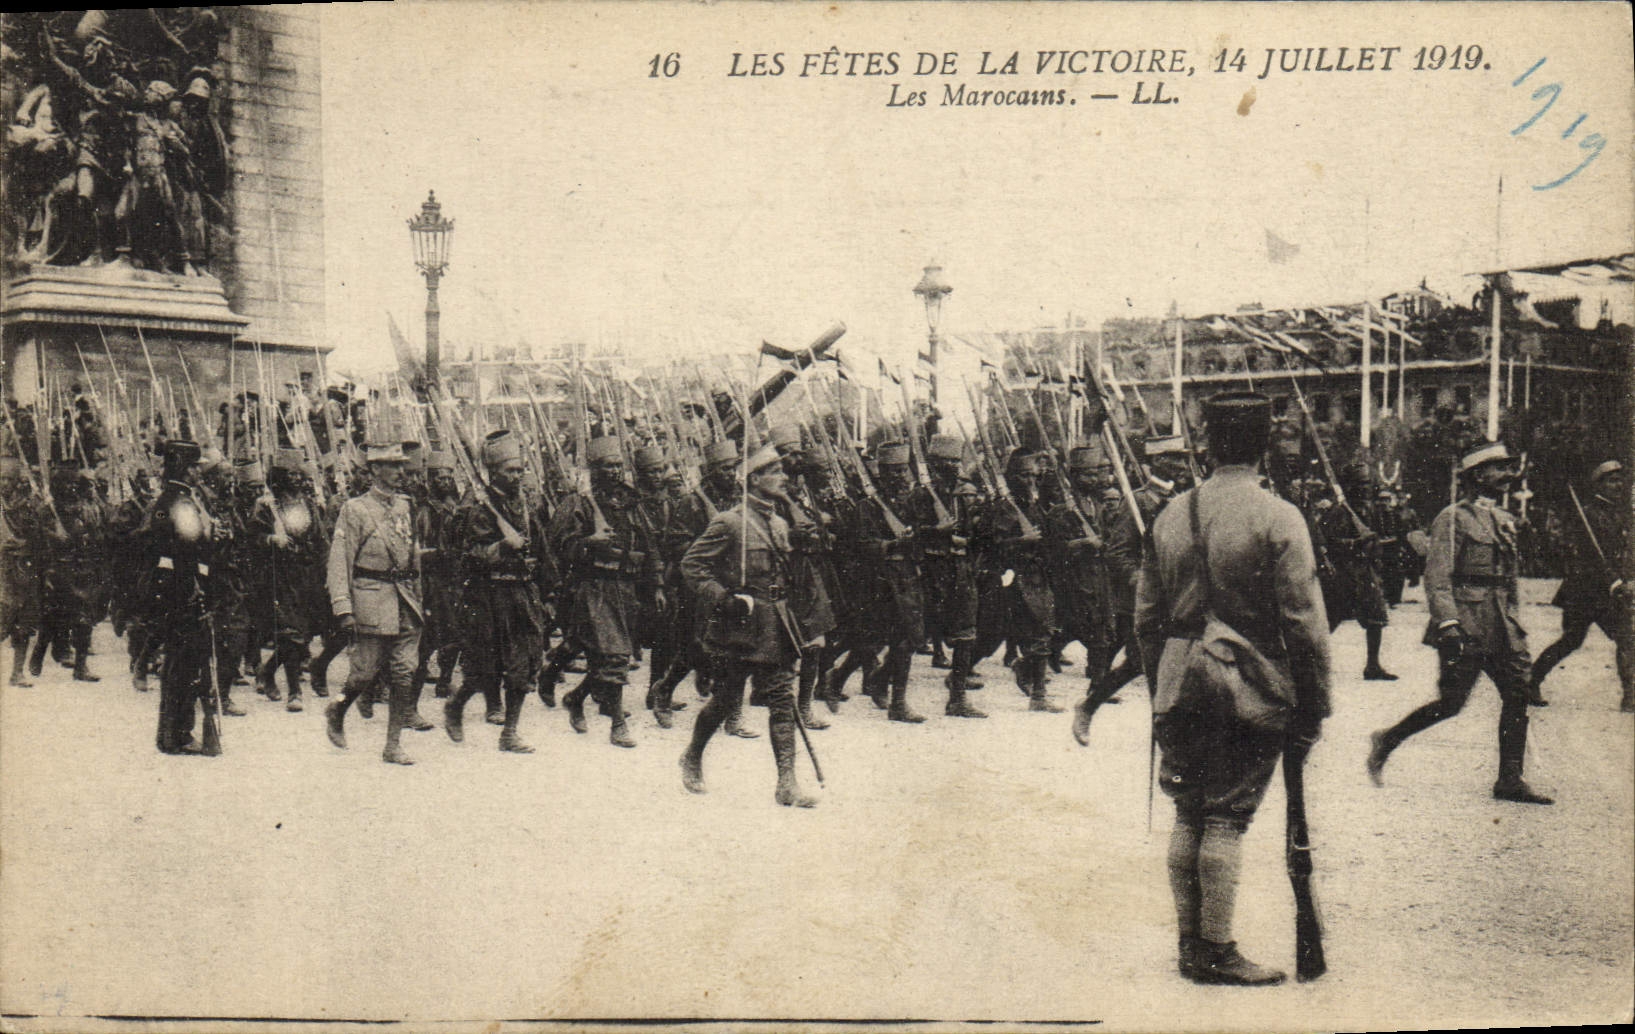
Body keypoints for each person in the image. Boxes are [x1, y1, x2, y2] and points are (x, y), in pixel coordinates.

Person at [1135, 391, 1331, 985]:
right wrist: (1313, 702)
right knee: (1225, 818)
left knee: (1188, 811)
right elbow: (1303, 622)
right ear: (1264, 444)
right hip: (1247, 680)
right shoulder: (1279, 515)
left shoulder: (1170, 514)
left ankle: (1191, 946)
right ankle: (1217, 949)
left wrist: (1161, 685)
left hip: (1179, 674)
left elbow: (1146, 618)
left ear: (1208, 445)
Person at [1367, 442, 1554, 804]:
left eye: (1508, 468)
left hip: (1502, 625)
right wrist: (1449, 623)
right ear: (1478, 475)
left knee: (1518, 693)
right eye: (1499, 468)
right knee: (1452, 702)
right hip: (1467, 623)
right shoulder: (1453, 518)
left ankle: (1510, 779)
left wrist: (1515, 619)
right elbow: (1437, 577)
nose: (1507, 475)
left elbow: (1509, 579)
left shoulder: (1503, 519)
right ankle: (1387, 739)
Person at [678, 443, 818, 807]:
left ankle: (787, 783)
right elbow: (692, 565)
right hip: (739, 625)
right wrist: (723, 597)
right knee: (726, 700)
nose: (783, 477)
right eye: (775, 472)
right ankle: (692, 755)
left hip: (775, 623)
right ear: (754, 479)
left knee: (782, 699)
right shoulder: (730, 522)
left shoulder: (780, 523)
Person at [550, 435, 663, 748]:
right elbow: (559, 546)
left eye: (618, 465)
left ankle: (576, 698)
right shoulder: (579, 503)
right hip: (594, 586)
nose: (614, 471)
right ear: (595, 469)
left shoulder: (631, 503)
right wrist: (589, 543)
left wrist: (657, 584)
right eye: (607, 466)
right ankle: (617, 724)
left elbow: (650, 545)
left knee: (611, 656)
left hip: (627, 587)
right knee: (615, 656)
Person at [444, 430, 549, 753]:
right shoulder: (479, 509)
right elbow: (469, 556)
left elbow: (541, 548)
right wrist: (502, 546)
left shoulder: (525, 504)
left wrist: (549, 592)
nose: (516, 476)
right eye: (510, 471)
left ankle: (509, 733)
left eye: (520, 470)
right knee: (483, 667)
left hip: (521, 593)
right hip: (488, 596)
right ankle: (456, 705)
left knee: (522, 666)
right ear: (494, 472)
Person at [323, 443, 423, 765]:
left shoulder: (406, 506)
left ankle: (393, 745)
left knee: (404, 672)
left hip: (405, 599)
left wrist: (420, 597)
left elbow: (413, 557)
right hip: (371, 598)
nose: (400, 472)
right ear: (375, 469)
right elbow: (340, 560)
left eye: (402, 466)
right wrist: (343, 607)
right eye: (393, 466)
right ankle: (339, 706)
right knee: (363, 674)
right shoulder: (355, 509)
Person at [1530, 460, 1633, 711]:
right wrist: (1612, 580)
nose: (1618, 485)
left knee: (1627, 638)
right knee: (1571, 641)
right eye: (1612, 481)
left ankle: (1630, 696)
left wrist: (1624, 579)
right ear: (1599, 485)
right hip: (1583, 592)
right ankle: (1529, 682)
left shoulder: (1619, 514)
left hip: (1610, 592)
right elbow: (1587, 556)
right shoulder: (1586, 514)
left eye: (1620, 480)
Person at [143, 438, 223, 756]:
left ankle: (172, 733)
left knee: (180, 664)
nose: (198, 472)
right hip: (185, 591)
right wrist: (197, 584)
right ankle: (178, 734)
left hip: (178, 589)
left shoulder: (174, 499)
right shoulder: (181, 503)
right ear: (184, 469)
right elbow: (188, 548)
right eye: (194, 467)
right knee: (185, 666)